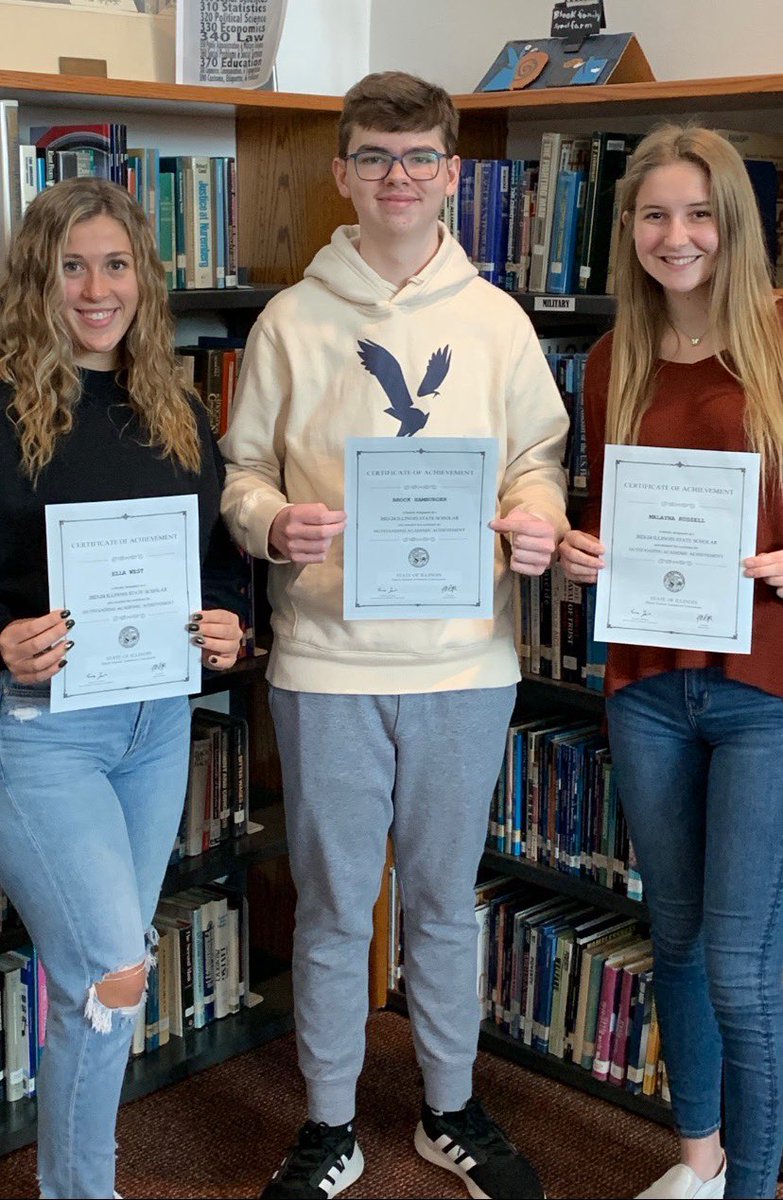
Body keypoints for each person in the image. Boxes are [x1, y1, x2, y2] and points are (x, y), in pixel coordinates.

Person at [220, 70, 569, 1200]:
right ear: (342, 172)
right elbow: (243, 471)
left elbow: (538, 458)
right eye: (374, 157)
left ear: (453, 174)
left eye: (419, 157)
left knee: (442, 903)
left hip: (464, 662)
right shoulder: (291, 319)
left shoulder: (497, 321)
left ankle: (449, 1110)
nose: (398, 177)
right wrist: (271, 522)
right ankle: (328, 1124)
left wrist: (537, 517)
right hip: (327, 665)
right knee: (331, 909)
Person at [0, 176, 244, 1200]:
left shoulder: (174, 406)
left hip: (155, 727)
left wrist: (230, 620)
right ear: (37, 277)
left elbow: (218, 558)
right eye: (72, 267)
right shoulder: (5, 409)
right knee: (112, 970)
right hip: (40, 731)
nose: (96, 291)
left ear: (142, 276)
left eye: (115, 266)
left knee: (102, 983)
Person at [559, 125, 783, 1200]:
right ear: (629, 229)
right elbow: (616, 522)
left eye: (698, 214)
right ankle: (697, 1162)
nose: (676, 235)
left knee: (743, 967)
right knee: (679, 943)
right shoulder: (614, 358)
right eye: (654, 214)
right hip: (648, 685)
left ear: (734, 223)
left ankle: (755, 1183)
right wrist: (583, 550)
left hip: (763, 693)